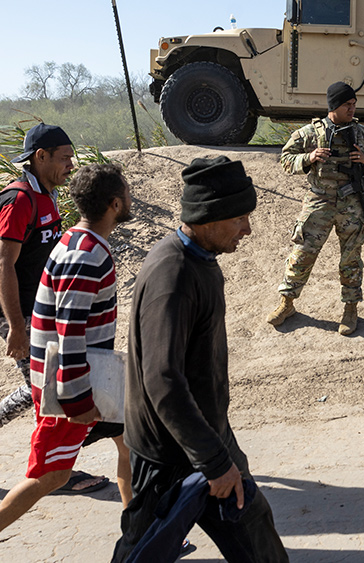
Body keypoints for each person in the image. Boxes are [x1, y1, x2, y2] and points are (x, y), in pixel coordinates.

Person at [0, 163, 134, 563]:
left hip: (85, 379)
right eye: (127, 195)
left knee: (132, 446)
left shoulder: (75, 240)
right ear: (115, 204)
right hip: (73, 386)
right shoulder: (87, 254)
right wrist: (76, 400)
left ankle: (141, 537)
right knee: (50, 475)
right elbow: (70, 329)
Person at [112, 156, 288, 562]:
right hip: (169, 454)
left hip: (207, 436)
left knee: (257, 536)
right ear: (208, 218)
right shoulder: (173, 275)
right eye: (239, 218)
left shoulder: (200, 260)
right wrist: (212, 460)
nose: (247, 229)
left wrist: (217, 452)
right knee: (142, 552)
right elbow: (162, 379)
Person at [0, 123, 108, 495]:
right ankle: (54, 473)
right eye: (64, 158)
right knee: (49, 391)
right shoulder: (19, 200)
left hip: (42, 311)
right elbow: (3, 264)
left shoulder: (46, 196)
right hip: (19, 313)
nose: (71, 164)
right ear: (40, 156)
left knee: (44, 387)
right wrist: (16, 326)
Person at [266, 81, 364, 336]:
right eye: (347, 105)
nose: (352, 109)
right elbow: (285, 159)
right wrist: (309, 157)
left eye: (354, 104)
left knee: (351, 259)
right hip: (318, 202)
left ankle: (350, 309)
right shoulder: (309, 134)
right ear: (333, 106)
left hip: (352, 203)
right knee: (302, 253)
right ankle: (287, 303)